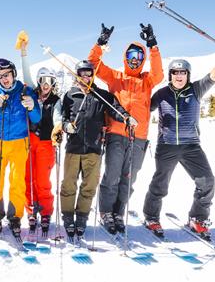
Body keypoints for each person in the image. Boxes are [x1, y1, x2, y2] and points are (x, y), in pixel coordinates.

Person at [142, 46, 215, 240]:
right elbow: (142, 109)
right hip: (167, 145)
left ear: (187, 75)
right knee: (161, 183)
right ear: (170, 75)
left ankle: (197, 218)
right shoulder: (161, 94)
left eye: (182, 72)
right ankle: (151, 217)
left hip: (191, 146)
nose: (179, 76)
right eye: (175, 72)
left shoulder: (196, 89)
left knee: (207, 181)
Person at [87, 22, 164, 234]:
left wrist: (153, 45)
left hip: (138, 138)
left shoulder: (148, 80)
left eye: (139, 57)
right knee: (112, 176)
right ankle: (106, 212)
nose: (134, 59)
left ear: (143, 60)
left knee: (128, 179)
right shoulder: (115, 77)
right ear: (125, 57)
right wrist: (101, 42)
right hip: (116, 135)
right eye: (131, 55)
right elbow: (92, 64)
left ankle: (118, 213)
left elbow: (159, 74)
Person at [52, 60, 132, 241]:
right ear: (77, 75)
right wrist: (65, 126)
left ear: (93, 75)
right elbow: (62, 117)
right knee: (68, 185)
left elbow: (115, 109)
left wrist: (125, 117)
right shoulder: (70, 96)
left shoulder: (101, 95)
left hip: (94, 149)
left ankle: (81, 217)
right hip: (73, 147)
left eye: (89, 73)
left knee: (89, 187)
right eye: (82, 73)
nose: (86, 77)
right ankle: (67, 216)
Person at [0, 57, 41, 241]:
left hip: (19, 142)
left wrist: (32, 107)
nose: (4, 79)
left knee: (17, 181)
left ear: (13, 73)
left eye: (6, 74)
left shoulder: (25, 90)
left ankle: (15, 217)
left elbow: (37, 118)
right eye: (0, 76)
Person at [18, 35, 61, 237]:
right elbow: (26, 72)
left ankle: (45, 211)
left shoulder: (56, 100)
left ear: (53, 83)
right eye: (43, 80)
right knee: (28, 178)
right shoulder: (33, 93)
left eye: (49, 81)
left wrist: (59, 129)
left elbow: (58, 117)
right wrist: (24, 53)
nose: (45, 84)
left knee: (43, 180)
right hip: (30, 141)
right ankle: (30, 210)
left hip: (45, 143)